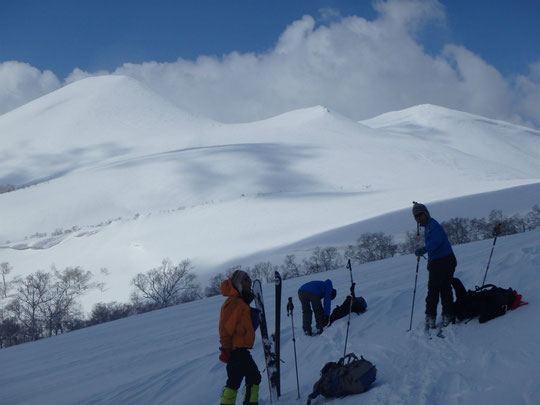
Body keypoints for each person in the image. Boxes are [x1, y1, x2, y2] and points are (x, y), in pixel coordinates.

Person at [219, 270, 261, 405]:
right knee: (253, 377)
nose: (249, 281)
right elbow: (225, 329)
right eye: (246, 279)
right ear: (239, 283)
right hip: (236, 350)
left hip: (239, 350)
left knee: (234, 381)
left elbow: (242, 326)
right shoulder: (234, 303)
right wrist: (226, 349)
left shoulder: (241, 303)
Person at [412, 202, 457, 330]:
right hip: (444, 260)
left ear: (426, 214)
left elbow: (436, 242)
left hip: (443, 261)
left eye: (421, 215)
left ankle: (432, 316)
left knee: (434, 290)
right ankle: (446, 314)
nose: (419, 218)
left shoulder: (433, 225)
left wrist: (424, 249)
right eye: (417, 216)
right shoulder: (428, 226)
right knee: (444, 288)